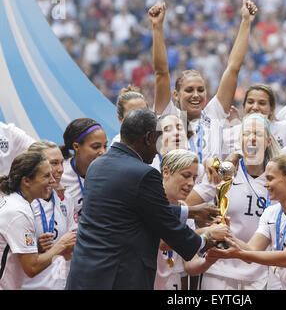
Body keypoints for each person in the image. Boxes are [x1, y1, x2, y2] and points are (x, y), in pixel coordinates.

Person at [65, 108, 218, 290]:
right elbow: (165, 222)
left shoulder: (97, 165)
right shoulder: (144, 174)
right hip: (118, 278)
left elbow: (131, 209)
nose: (158, 149)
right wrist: (205, 240)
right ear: (148, 138)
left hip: (83, 275)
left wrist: (191, 211)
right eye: (158, 140)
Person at [149, 0, 258, 163]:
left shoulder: (213, 114)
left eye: (200, 90)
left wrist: (246, 22)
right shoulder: (169, 115)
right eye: (189, 90)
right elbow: (161, 73)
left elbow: (233, 68)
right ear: (176, 94)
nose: (196, 95)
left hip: (210, 188)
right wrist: (157, 27)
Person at [208, 154, 286, 290]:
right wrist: (227, 234)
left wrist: (239, 253)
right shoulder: (271, 213)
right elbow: (251, 251)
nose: (265, 184)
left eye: (270, 178)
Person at [186, 113, 282, 290]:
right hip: (218, 269)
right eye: (246, 134)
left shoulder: (277, 180)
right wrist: (203, 221)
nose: (252, 138)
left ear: (268, 141)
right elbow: (185, 205)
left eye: (258, 134)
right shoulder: (224, 173)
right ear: (239, 139)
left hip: (258, 273)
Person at [0, 151, 76, 290]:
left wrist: (37, 248)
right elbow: (32, 268)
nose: (53, 181)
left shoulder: (17, 203)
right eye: (47, 176)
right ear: (27, 181)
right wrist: (62, 245)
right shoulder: (18, 212)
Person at [155, 149, 230, 290]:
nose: (191, 183)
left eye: (194, 178)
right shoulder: (152, 203)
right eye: (186, 175)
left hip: (173, 282)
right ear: (165, 172)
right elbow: (164, 242)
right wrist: (208, 232)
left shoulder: (183, 209)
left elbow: (191, 265)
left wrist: (210, 258)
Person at [21, 141, 77, 290]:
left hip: (60, 284)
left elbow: (71, 247)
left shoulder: (65, 197)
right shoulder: (21, 204)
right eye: (53, 163)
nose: (60, 170)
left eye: (61, 163)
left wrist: (68, 246)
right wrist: (34, 248)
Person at [221, 83, 286, 158]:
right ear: (244, 106)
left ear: (272, 109)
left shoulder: (285, 128)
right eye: (250, 102)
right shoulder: (228, 135)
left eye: (262, 103)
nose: (255, 107)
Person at [60, 118, 108, 224]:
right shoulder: (60, 175)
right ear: (76, 146)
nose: (103, 152)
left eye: (105, 146)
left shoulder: (110, 173)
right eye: (96, 147)